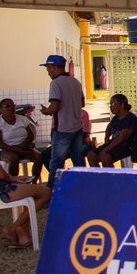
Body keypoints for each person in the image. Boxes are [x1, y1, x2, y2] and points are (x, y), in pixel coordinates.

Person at [38, 54, 85, 182]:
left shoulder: (55, 83)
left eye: (48, 68)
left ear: (54, 67)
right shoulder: (75, 82)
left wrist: (46, 111)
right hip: (77, 128)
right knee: (78, 160)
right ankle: (84, 185)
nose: (48, 72)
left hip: (62, 130)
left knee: (56, 164)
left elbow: (55, 107)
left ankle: (52, 189)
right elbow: (82, 103)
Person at [0, 161, 50, 249]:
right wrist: (12, 178)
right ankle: (13, 228)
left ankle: (21, 228)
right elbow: (2, 175)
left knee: (30, 191)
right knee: (45, 192)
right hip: (2, 191)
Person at [87, 94, 137, 167]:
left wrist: (106, 149)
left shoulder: (130, 118)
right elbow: (109, 127)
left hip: (128, 146)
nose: (111, 107)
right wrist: (106, 138)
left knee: (105, 156)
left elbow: (122, 137)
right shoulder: (116, 118)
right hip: (115, 144)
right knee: (91, 155)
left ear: (122, 105)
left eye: (113, 104)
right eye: (110, 105)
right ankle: (99, 174)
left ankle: (110, 174)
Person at [0, 98, 43, 181]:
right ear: (1, 109)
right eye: (7, 106)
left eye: (13, 105)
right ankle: (14, 182)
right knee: (13, 158)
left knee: (38, 156)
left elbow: (31, 136)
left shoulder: (22, 119)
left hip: (24, 147)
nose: (11, 108)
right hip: (6, 150)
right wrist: (15, 149)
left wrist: (22, 146)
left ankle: (34, 181)